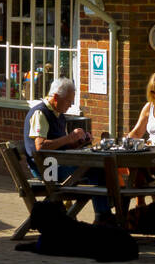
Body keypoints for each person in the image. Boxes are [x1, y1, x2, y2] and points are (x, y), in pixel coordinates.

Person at [23, 77, 112, 223]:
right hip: (46, 168)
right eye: (68, 101)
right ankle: (103, 216)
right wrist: (70, 137)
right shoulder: (40, 113)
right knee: (96, 169)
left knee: (99, 168)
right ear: (56, 97)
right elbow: (40, 146)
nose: (70, 106)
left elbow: (60, 145)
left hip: (56, 163)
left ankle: (103, 215)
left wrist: (78, 143)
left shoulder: (58, 114)